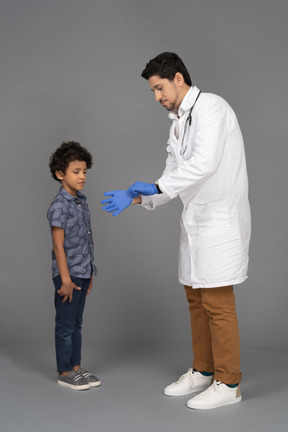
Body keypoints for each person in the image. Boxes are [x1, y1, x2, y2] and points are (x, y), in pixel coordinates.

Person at [102, 52, 251, 409]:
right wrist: (141, 198)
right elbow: (172, 179)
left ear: (179, 79)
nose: (157, 97)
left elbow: (204, 163)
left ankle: (228, 382)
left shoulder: (212, 108)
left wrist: (154, 186)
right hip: (195, 223)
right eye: (153, 90)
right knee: (195, 300)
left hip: (220, 221)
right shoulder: (178, 123)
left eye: (159, 88)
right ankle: (203, 371)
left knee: (217, 302)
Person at [47, 141, 100, 390]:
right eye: (75, 172)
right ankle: (64, 371)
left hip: (83, 272)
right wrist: (66, 280)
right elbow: (59, 247)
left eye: (84, 172)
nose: (82, 177)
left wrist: (89, 273)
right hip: (67, 276)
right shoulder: (59, 207)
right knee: (66, 325)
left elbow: (86, 241)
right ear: (60, 174)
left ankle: (77, 368)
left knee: (77, 324)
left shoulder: (81, 202)